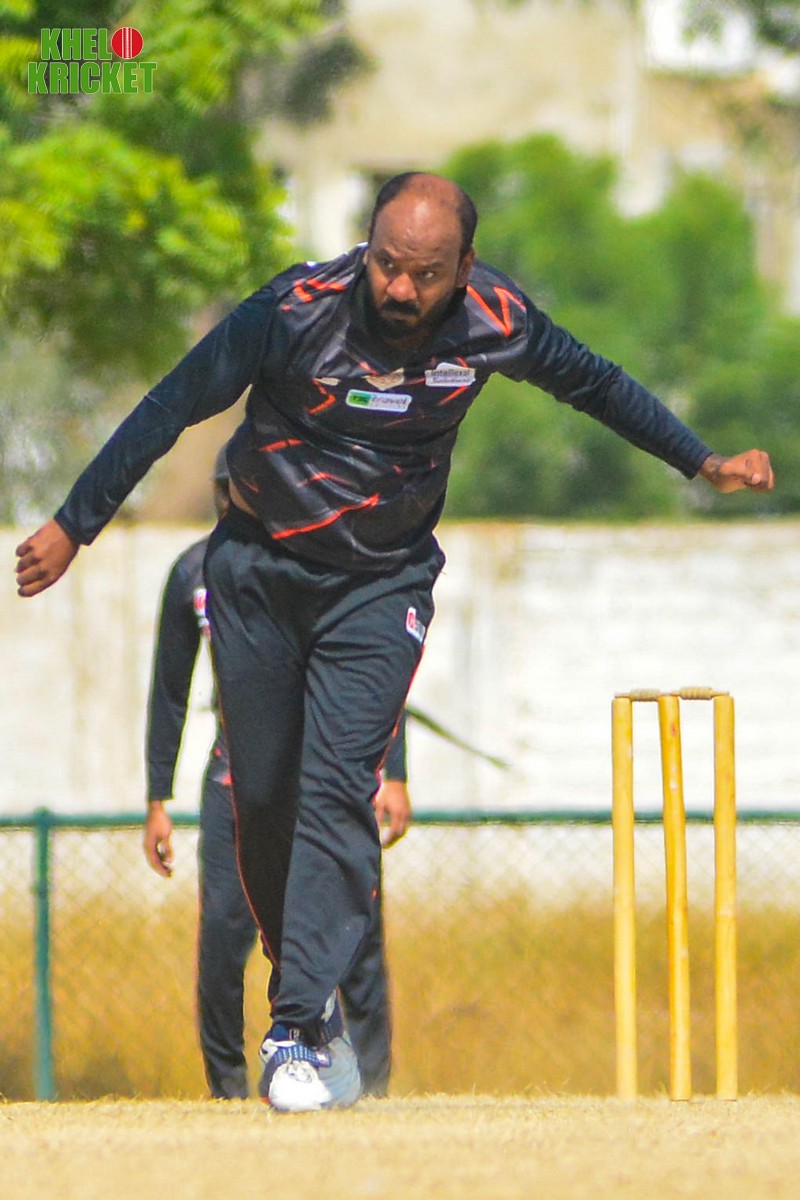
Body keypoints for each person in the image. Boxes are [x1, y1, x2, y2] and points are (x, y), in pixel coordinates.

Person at [16, 171, 774, 1113]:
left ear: (464, 268)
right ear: (366, 248)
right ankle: (311, 999)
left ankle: (295, 1028)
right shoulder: (293, 310)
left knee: (339, 783)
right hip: (256, 568)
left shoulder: (496, 319)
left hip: (381, 583)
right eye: (385, 265)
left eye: (424, 273)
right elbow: (171, 405)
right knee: (263, 798)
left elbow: (597, 385)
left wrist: (701, 459)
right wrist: (75, 524)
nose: (400, 289)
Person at [143, 449, 408, 1099]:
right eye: (234, 488)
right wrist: (157, 796)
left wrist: (393, 773)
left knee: (355, 930)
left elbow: (374, 679)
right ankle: (229, 1086)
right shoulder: (195, 573)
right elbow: (170, 689)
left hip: (325, 771)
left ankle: (371, 1082)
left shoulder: (327, 556)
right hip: (235, 775)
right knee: (224, 932)